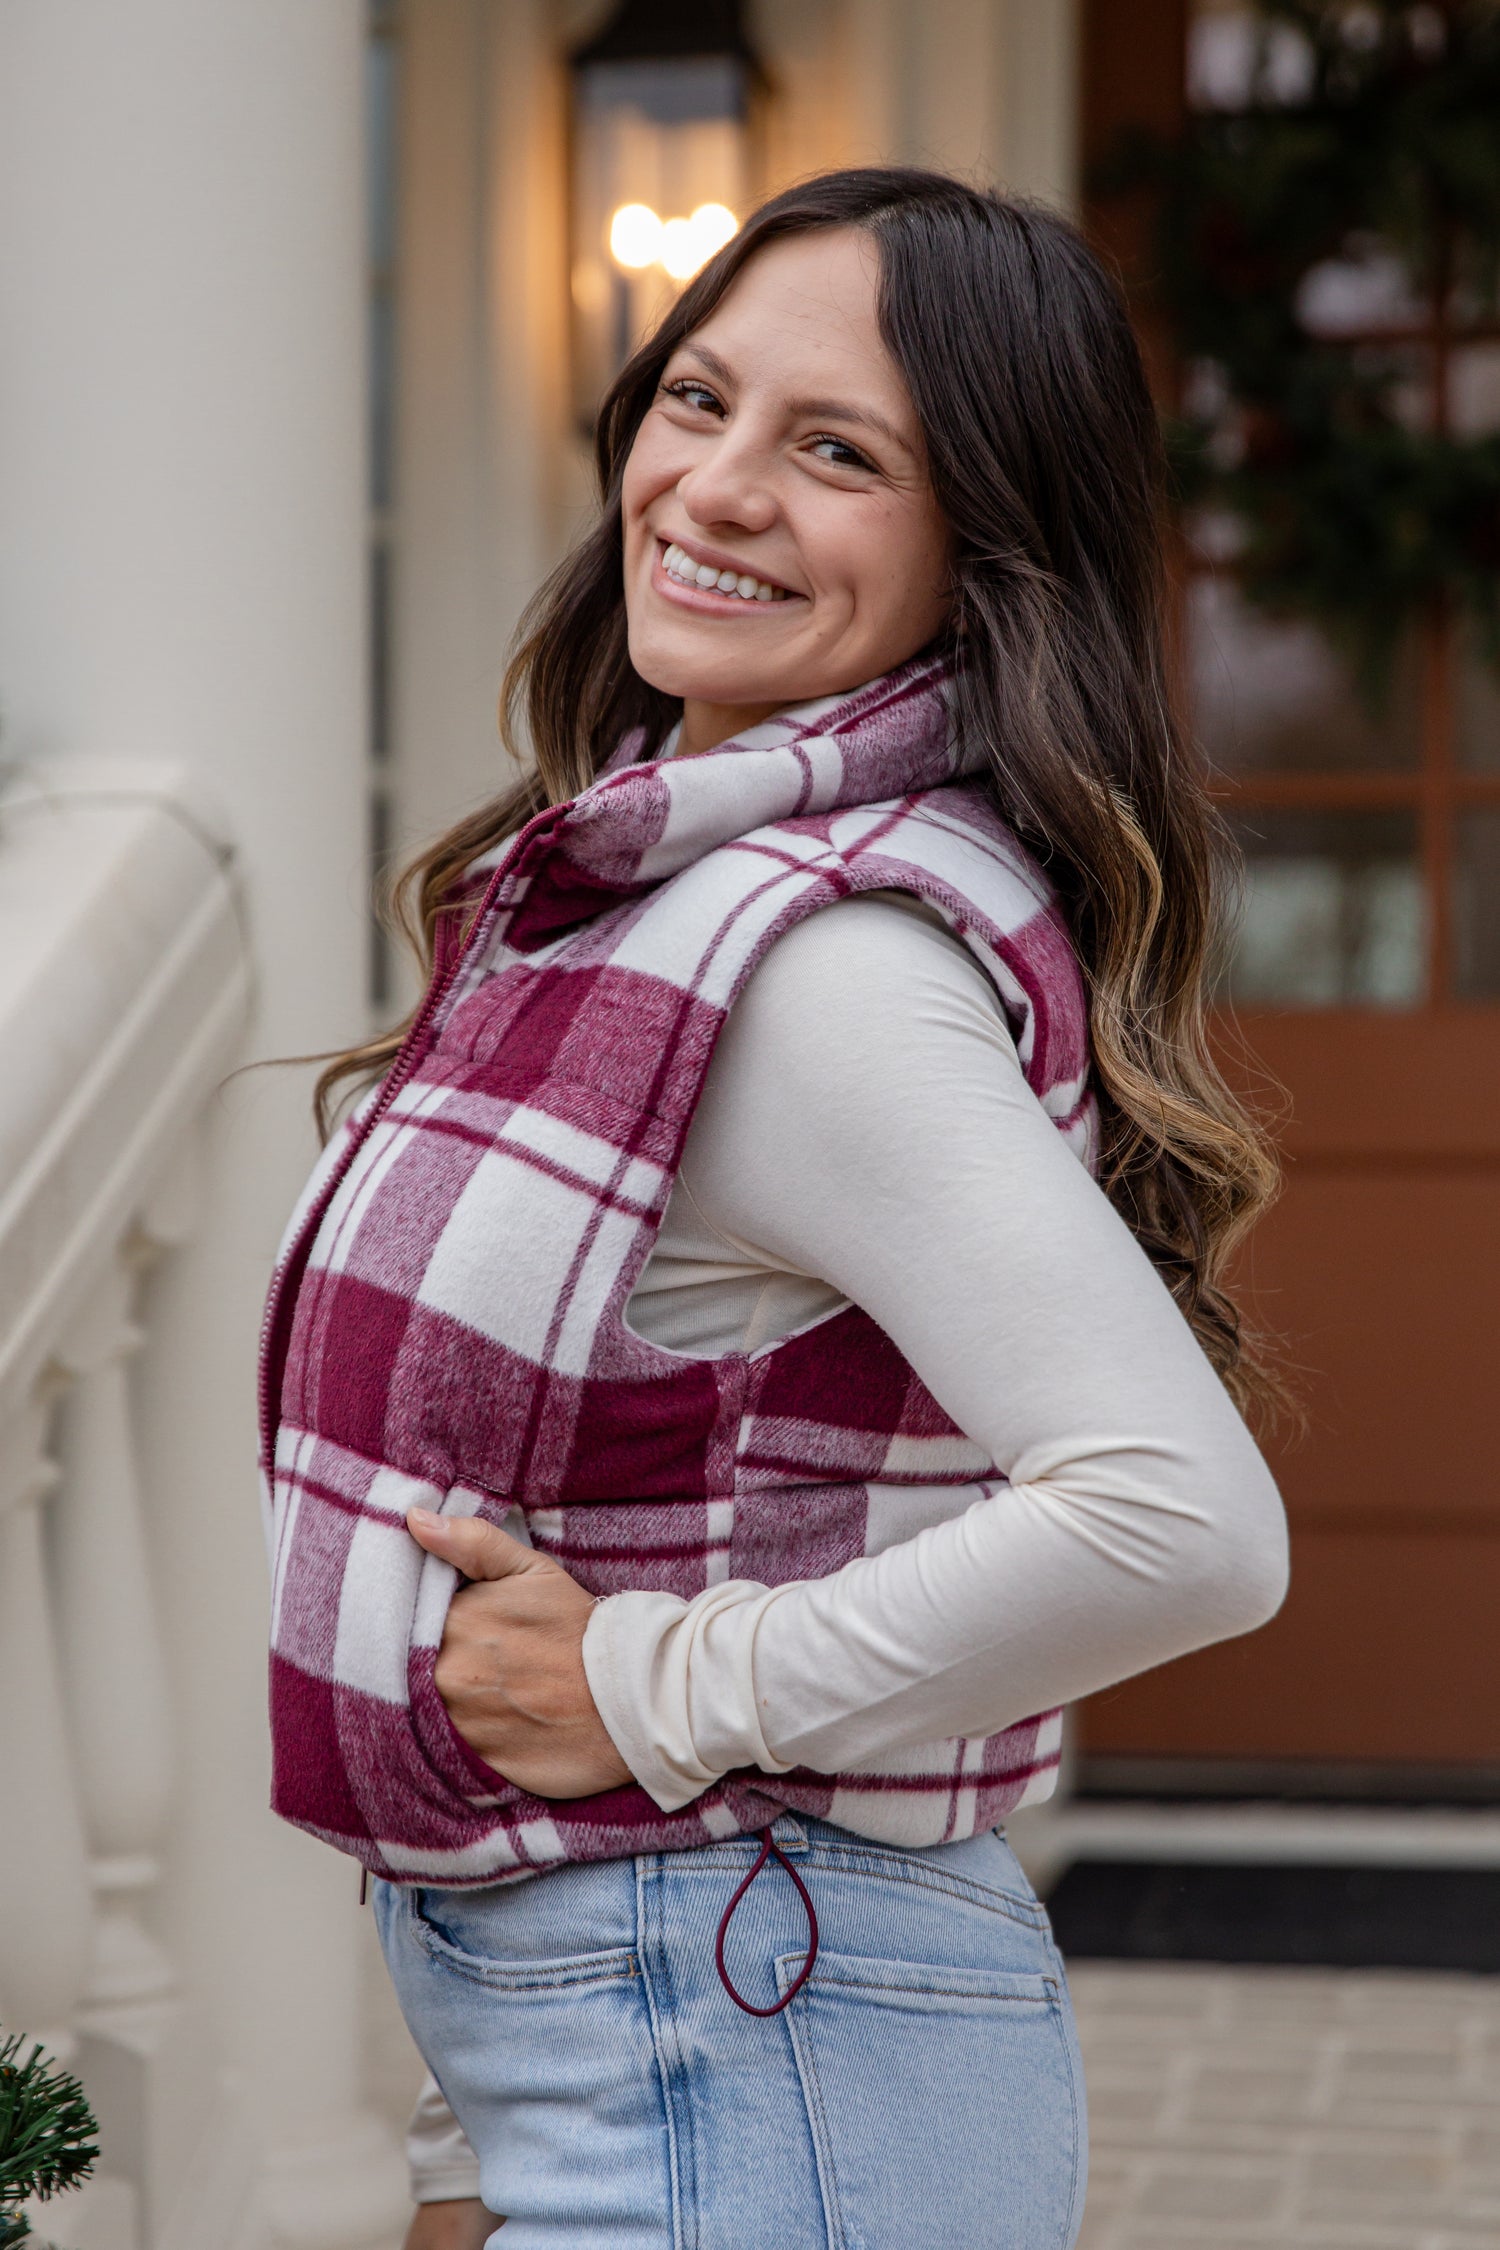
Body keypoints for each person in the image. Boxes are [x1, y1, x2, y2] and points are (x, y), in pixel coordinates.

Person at [260, 169, 1289, 2250]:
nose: (712, 489)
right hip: (660, 2030)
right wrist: (473, 2140)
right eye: (696, 400)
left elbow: (1181, 1521)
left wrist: (660, 1684)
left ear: (985, 552)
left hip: (755, 2028)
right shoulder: (655, 894)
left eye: (835, 453)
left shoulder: (816, 969)